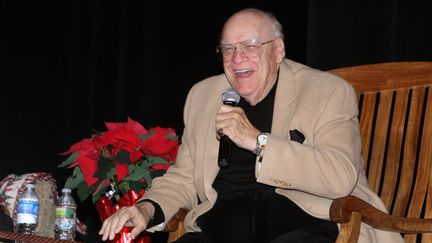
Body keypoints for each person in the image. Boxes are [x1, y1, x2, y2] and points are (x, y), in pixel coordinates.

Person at [100, 8, 404, 243]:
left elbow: (340, 176)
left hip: (306, 222)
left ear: (279, 50)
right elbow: (183, 178)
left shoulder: (327, 91)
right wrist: (146, 208)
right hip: (221, 227)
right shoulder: (203, 96)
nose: (237, 58)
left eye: (250, 46)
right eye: (228, 49)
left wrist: (258, 141)